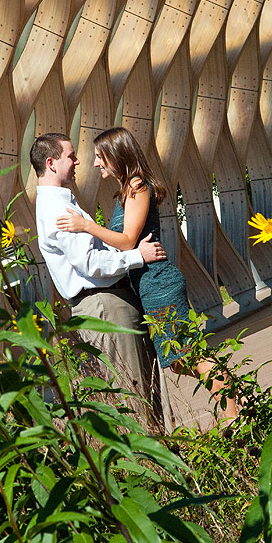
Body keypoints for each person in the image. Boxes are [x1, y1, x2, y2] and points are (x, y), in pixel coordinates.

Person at [56, 127, 239, 423]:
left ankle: (233, 413)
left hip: (158, 283)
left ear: (117, 155)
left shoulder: (138, 186)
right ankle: (233, 402)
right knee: (178, 361)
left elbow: (128, 240)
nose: (95, 163)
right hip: (147, 284)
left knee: (185, 354)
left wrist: (86, 226)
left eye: (100, 157)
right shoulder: (126, 192)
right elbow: (127, 243)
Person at [30, 133, 166, 420]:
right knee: (137, 395)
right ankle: (154, 464)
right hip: (104, 303)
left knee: (139, 389)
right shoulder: (58, 208)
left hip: (104, 302)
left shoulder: (59, 203)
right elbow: (89, 263)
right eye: (71, 156)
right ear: (52, 163)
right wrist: (138, 256)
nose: (79, 161)